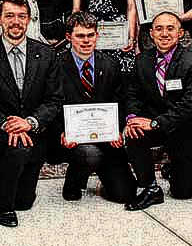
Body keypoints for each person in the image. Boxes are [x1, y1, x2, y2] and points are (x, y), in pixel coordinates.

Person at [0, 0, 63, 227]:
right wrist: (6, 124)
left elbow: (55, 98)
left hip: (34, 127)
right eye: (9, 16)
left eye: (21, 16)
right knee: (17, 149)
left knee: (24, 202)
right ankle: (1, 206)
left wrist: (30, 122)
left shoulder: (46, 54)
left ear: (29, 19)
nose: (15, 21)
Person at [122, 11, 192, 210]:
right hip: (153, 123)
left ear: (180, 33)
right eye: (159, 29)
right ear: (151, 33)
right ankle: (150, 187)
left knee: (183, 192)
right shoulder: (141, 60)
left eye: (170, 28)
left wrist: (155, 123)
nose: (164, 33)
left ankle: (173, 168)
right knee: (134, 132)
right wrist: (132, 118)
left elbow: (190, 105)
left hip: (184, 127)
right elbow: (132, 94)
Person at [56, 12, 137, 204]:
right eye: (80, 36)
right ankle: (74, 181)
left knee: (125, 194)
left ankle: (104, 174)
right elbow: (51, 103)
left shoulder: (110, 64)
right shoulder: (56, 65)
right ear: (68, 37)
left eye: (90, 35)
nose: (86, 41)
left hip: (106, 137)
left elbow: (120, 100)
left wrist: (118, 129)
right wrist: (61, 131)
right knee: (89, 154)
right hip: (73, 139)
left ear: (97, 35)